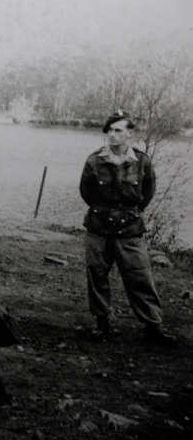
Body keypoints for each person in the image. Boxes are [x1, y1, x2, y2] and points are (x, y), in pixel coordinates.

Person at [79, 109, 175, 345]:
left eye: (118, 130)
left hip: (130, 230)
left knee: (139, 276)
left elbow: (146, 193)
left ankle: (153, 326)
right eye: (109, 130)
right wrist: (105, 211)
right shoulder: (94, 160)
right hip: (99, 229)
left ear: (130, 134)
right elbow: (86, 192)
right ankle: (102, 324)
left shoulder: (141, 161)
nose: (112, 135)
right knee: (97, 275)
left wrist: (127, 213)